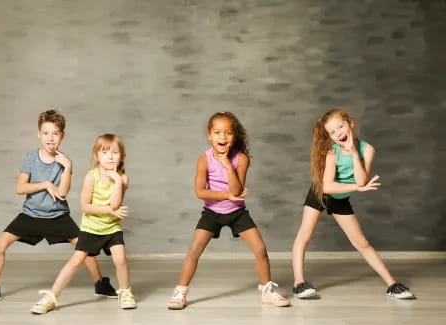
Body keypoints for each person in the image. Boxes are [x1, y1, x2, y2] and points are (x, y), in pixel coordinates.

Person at [0, 110, 116, 305]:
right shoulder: (30, 158)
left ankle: (100, 284)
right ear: (39, 134)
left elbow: (62, 193)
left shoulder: (64, 162)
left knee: (84, 248)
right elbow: (20, 188)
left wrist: (68, 167)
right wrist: (45, 184)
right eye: (45, 133)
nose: (50, 138)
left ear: (62, 135)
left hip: (57, 216)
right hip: (31, 215)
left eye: (55, 133)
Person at [167, 112, 290, 310]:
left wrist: (226, 165)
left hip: (237, 213)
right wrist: (226, 196)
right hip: (212, 212)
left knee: (260, 250)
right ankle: (180, 292)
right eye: (217, 133)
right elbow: (200, 192)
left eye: (228, 133)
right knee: (194, 250)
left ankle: (267, 292)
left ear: (234, 136)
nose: (222, 138)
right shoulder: (204, 160)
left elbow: (236, 190)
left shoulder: (241, 159)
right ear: (209, 135)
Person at [291, 108, 415, 300]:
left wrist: (353, 153)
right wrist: (357, 188)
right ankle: (298, 283)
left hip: (341, 199)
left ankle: (392, 284)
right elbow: (328, 187)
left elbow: (361, 180)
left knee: (362, 242)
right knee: (304, 236)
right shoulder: (332, 152)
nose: (338, 133)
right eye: (332, 132)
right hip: (320, 193)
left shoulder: (368, 149)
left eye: (340, 127)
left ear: (351, 123)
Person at [30, 133, 136, 314]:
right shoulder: (91, 177)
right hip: (91, 228)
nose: (110, 157)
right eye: (104, 153)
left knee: (121, 259)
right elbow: (86, 206)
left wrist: (117, 180)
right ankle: (52, 296)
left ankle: (125, 292)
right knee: (76, 262)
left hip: (112, 228)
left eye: (115, 153)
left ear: (122, 157)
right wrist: (110, 211)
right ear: (96, 156)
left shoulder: (123, 179)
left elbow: (116, 204)